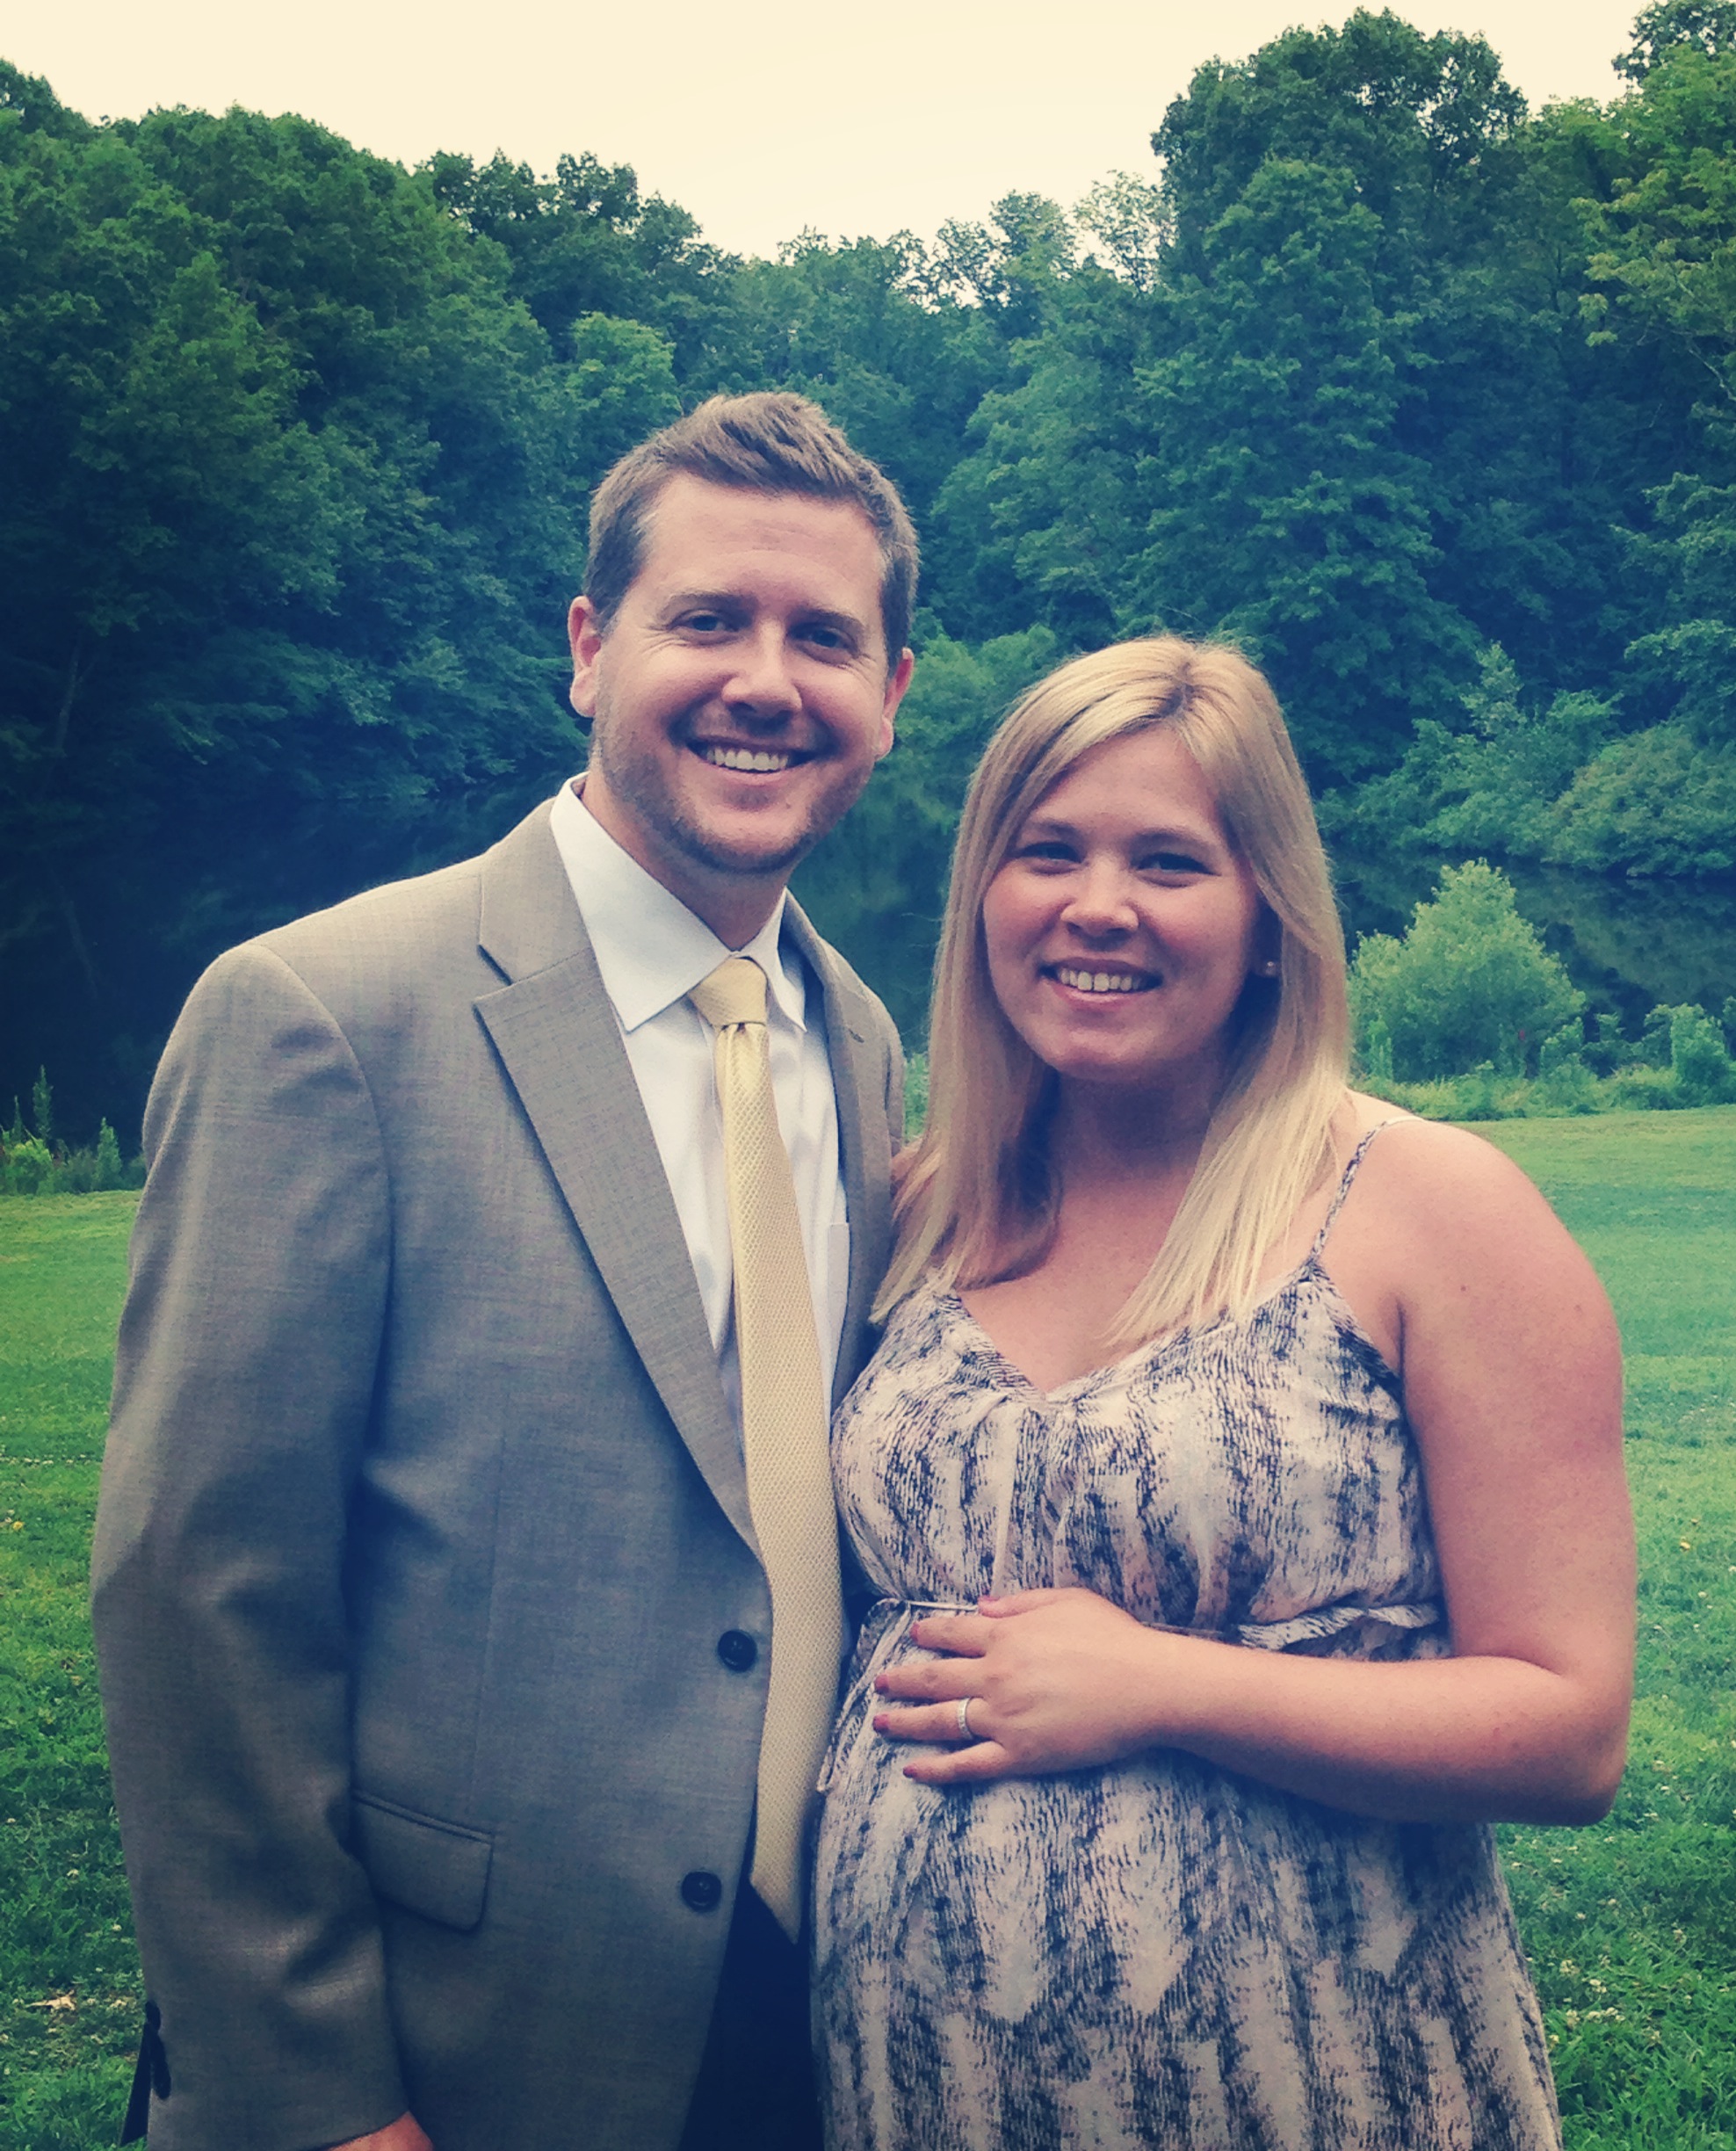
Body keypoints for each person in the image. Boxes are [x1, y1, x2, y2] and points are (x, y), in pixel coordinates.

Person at [91, 390, 915, 2151]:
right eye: (708, 619)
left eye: (825, 639)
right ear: (590, 647)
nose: (766, 681)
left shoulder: (860, 1041)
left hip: (806, 2030)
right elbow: (199, 1600)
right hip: (450, 2053)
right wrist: (314, 2099)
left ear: (893, 694)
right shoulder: (324, 1013)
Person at [811, 638, 1635, 2150]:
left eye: (1169, 861)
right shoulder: (919, 1210)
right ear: (982, 896)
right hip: (920, 2090)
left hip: (1318, 2081)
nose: (1097, 905)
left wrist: (1165, 1685)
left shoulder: (1427, 1210)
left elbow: (1568, 1729)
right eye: (1047, 851)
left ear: (1269, 916)